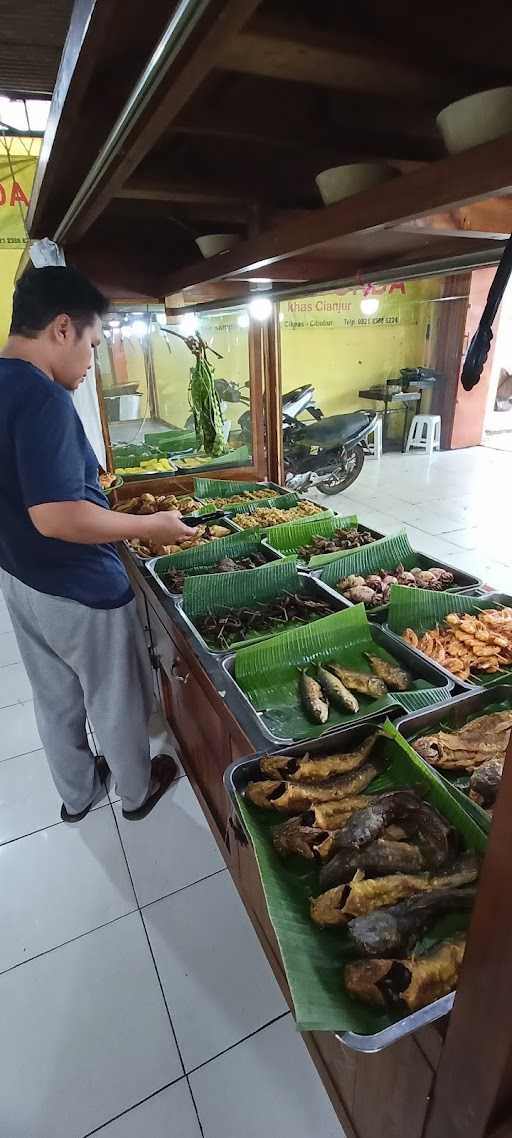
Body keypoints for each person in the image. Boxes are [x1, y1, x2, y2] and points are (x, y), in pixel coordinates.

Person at [0, 265, 197, 821]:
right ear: (62, 328)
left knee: (55, 697)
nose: (90, 362)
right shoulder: (44, 398)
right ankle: (136, 793)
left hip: (20, 578)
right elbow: (58, 516)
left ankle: (77, 793)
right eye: (91, 342)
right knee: (113, 696)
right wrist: (150, 526)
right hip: (77, 586)